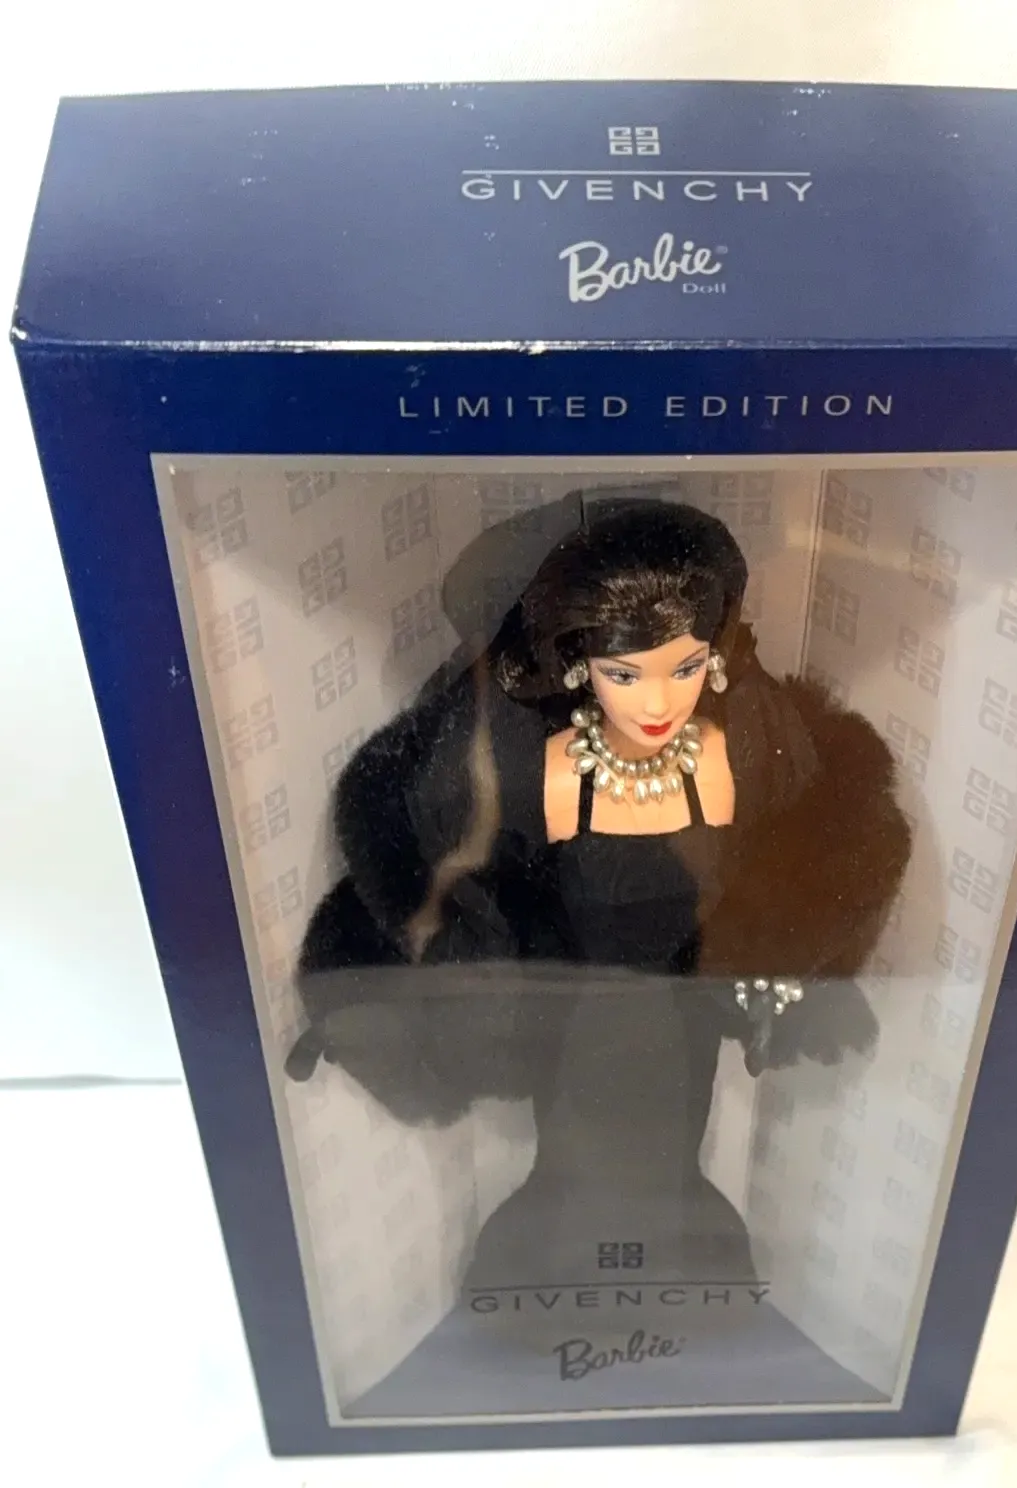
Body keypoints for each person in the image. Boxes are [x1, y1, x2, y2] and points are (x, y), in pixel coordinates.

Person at [286, 494, 912, 1413]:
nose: (659, 702)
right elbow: (438, 849)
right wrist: (464, 952)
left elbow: (821, 845)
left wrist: (787, 957)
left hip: (690, 982)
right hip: (569, 988)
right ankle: (557, 1243)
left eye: (685, 667)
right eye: (626, 673)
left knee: (675, 1126)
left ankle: (682, 1243)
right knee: (576, 1135)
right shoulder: (533, 757)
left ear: (715, 654)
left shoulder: (747, 741)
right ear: (578, 664)